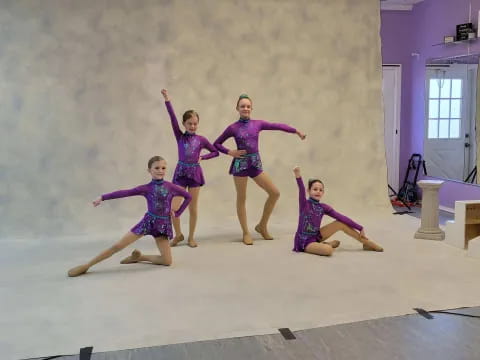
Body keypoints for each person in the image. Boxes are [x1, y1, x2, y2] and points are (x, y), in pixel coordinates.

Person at [67, 156, 191, 277]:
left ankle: (139, 257)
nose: (160, 171)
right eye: (157, 168)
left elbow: (188, 196)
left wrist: (178, 213)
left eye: (163, 168)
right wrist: (102, 197)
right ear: (149, 170)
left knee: (167, 261)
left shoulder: (171, 187)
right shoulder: (146, 188)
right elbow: (125, 193)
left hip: (163, 226)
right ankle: (87, 265)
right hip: (148, 223)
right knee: (118, 246)